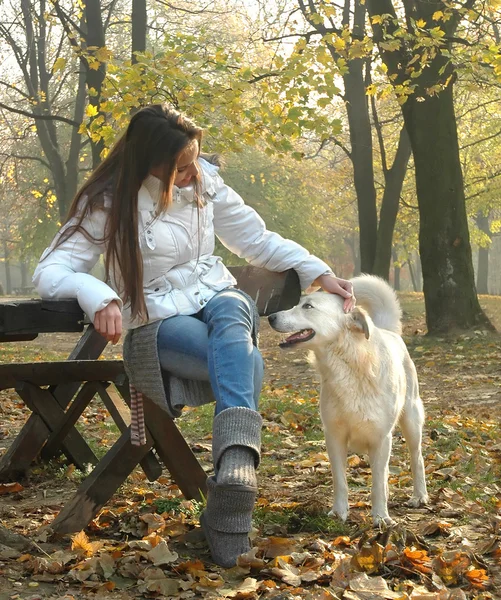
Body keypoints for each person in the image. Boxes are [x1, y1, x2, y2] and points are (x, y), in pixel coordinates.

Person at [33, 104, 355, 567]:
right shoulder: (109, 200)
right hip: (157, 318)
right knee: (245, 361)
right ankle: (235, 485)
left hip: (219, 297)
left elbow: (256, 239)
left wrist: (318, 271)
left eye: (194, 162)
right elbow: (53, 269)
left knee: (230, 311)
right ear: (149, 164)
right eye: (180, 168)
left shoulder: (204, 179)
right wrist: (98, 295)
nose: (191, 175)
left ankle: (233, 472)